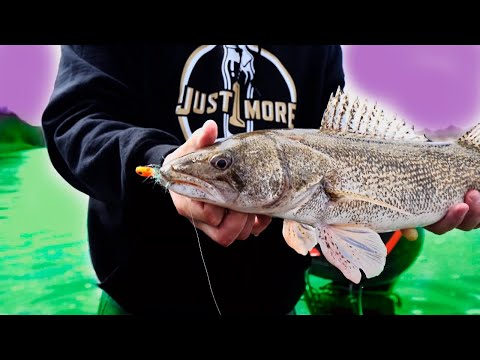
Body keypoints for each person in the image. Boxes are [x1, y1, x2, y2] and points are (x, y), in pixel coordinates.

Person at [42, 45, 480, 315]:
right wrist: (156, 159)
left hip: (275, 299)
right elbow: (74, 120)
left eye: (223, 167)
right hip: (140, 296)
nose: (218, 171)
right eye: (222, 166)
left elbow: (336, 133)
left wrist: (431, 204)